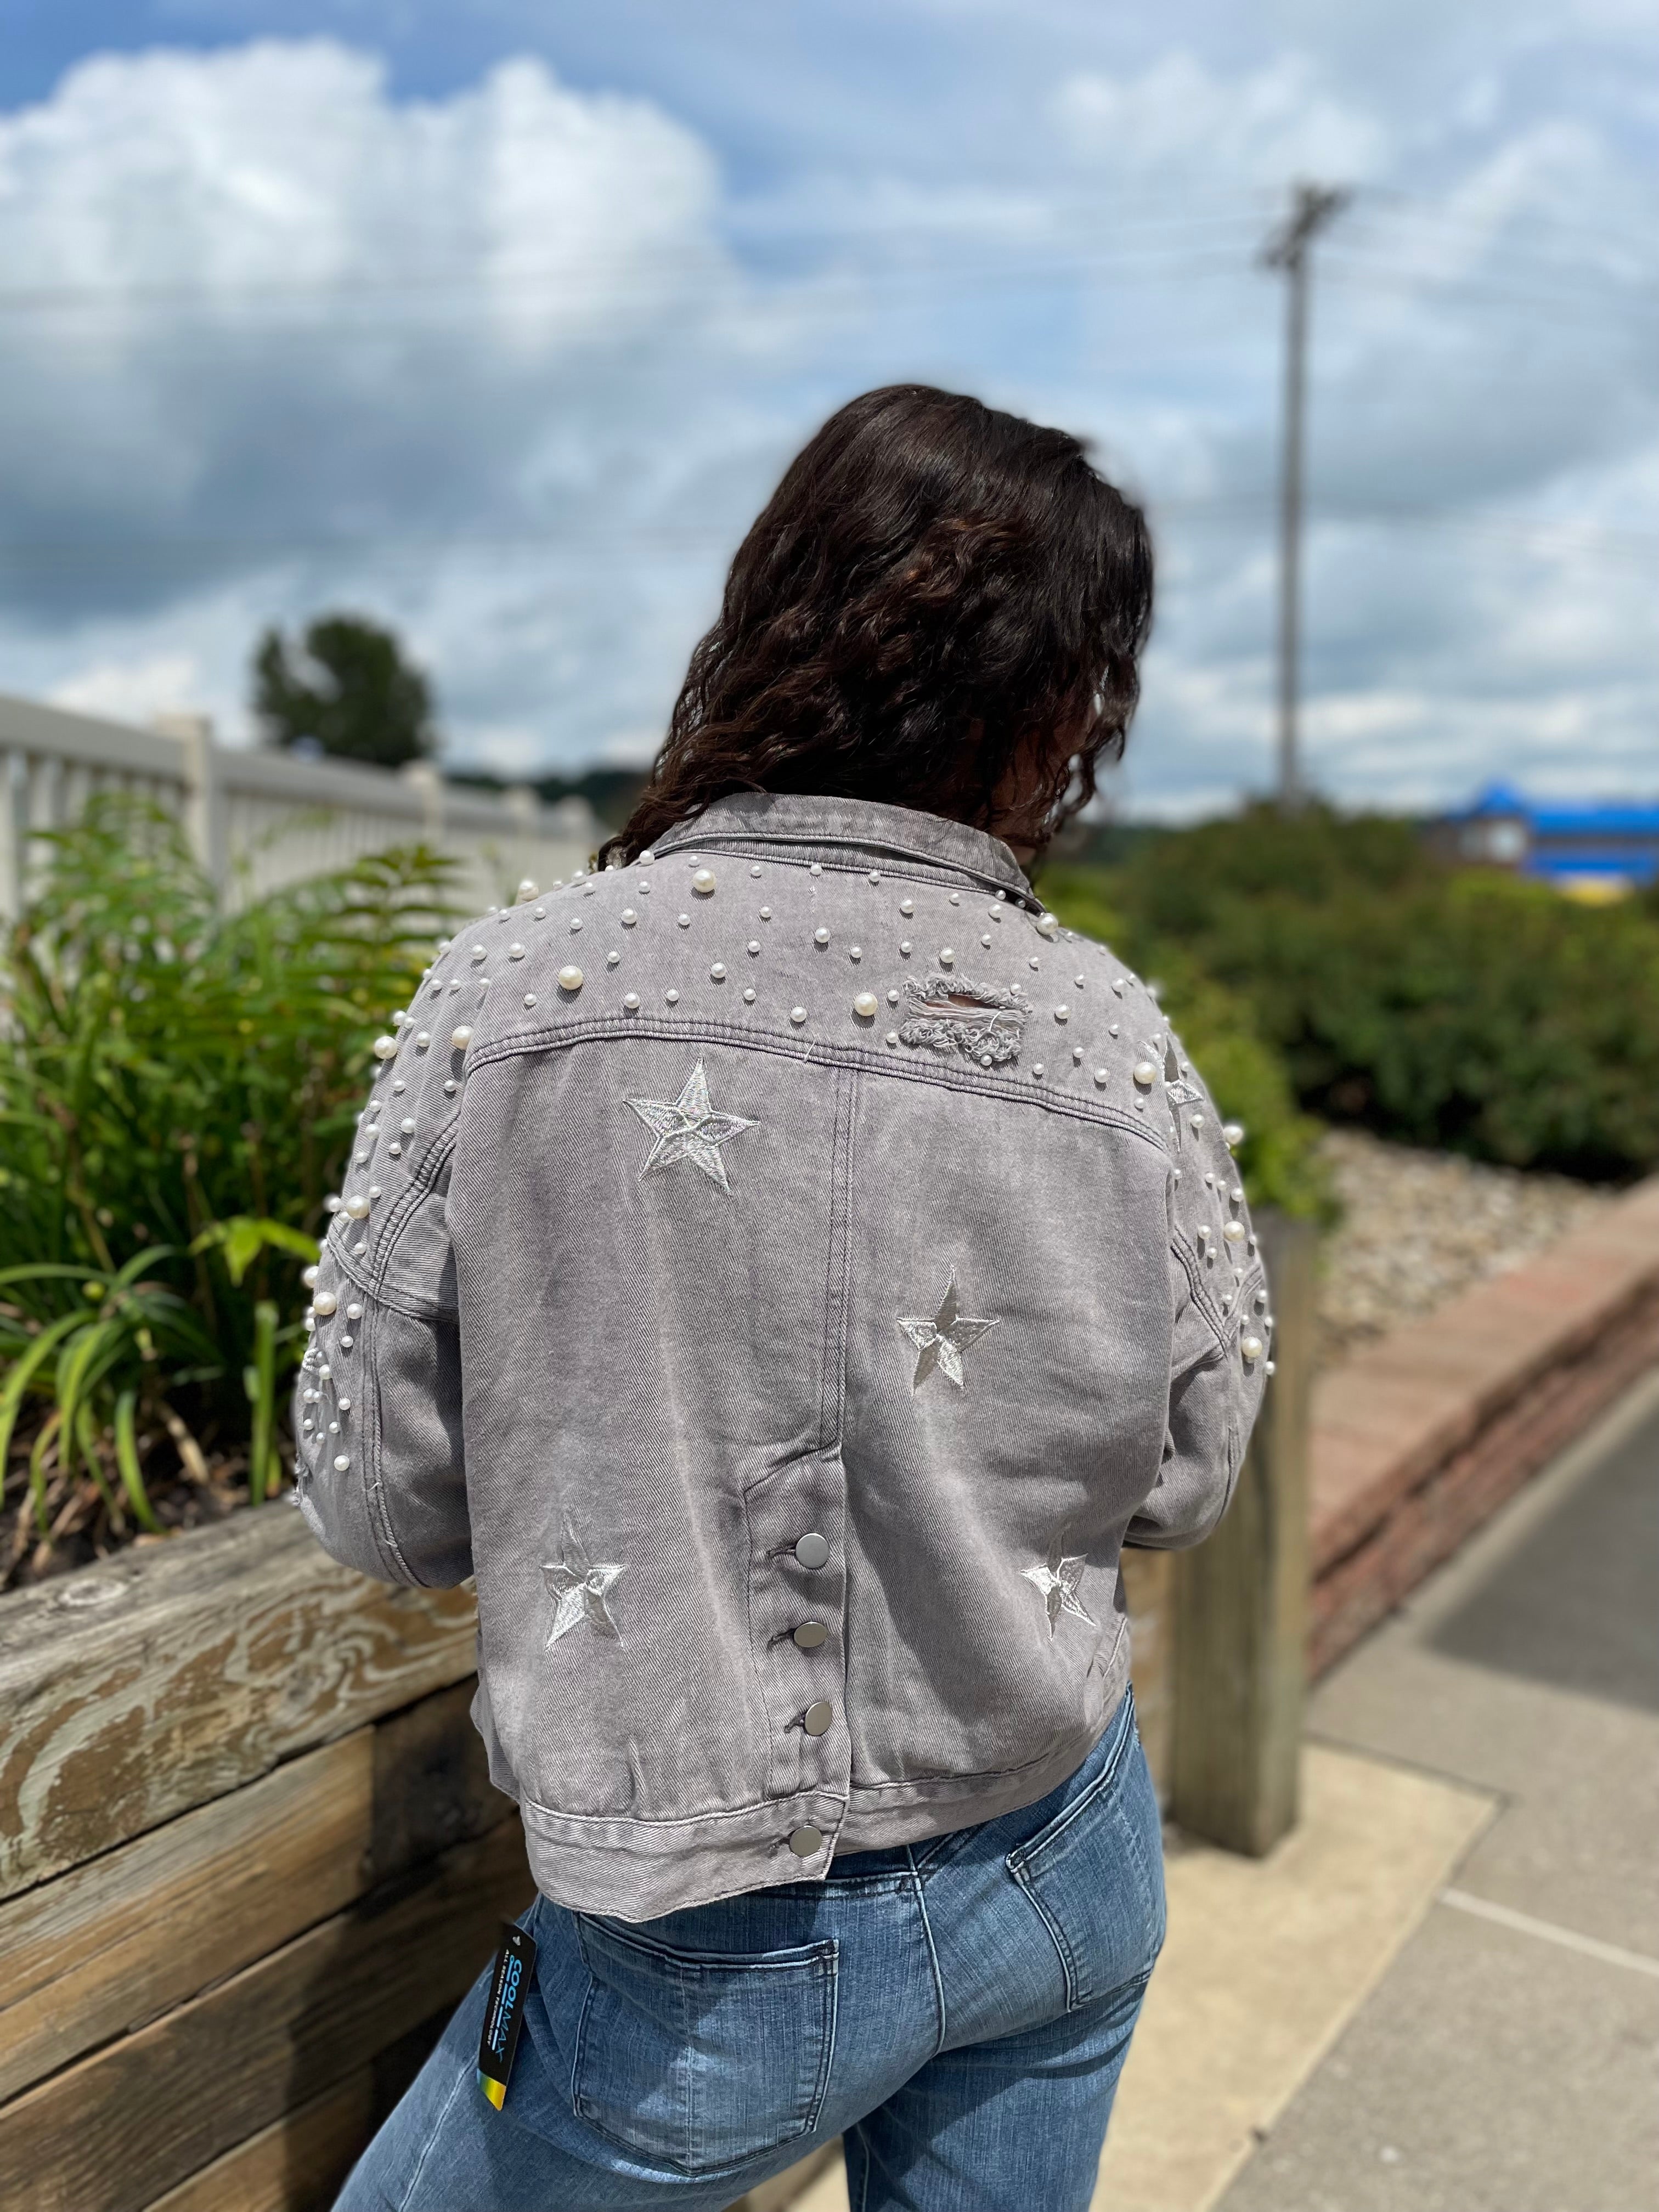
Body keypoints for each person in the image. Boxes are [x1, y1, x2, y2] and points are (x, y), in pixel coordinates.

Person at [301, 385, 1269, 2212]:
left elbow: (377, 1498)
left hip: (698, 1951)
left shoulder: (519, 991)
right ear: (1066, 703)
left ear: (771, 611)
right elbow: (1192, 1473)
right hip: (1063, 1856)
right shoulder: (1112, 1036)